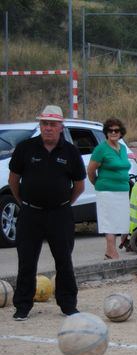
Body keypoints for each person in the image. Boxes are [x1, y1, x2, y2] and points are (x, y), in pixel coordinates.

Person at [8, 105, 86, 321]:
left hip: (59, 214)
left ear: (61, 126)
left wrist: (64, 203)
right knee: (26, 261)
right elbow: (13, 180)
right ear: (40, 125)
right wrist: (23, 202)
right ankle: (23, 306)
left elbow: (79, 185)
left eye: (52, 124)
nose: (48, 128)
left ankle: (68, 305)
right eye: (44, 123)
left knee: (63, 260)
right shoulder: (26, 148)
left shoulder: (70, 152)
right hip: (30, 214)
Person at [87, 118, 131, 260]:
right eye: (110, 130)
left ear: (120, 132)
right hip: (106, 190)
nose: (113, 133)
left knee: (120, 221)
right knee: (109, 221)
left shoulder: (123, 148)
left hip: (122, 190)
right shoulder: (101, 149)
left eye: (116, 130)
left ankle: (109, 251)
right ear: (106, 132)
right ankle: (112, 251)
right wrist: (97, 183)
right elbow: (91, 170)